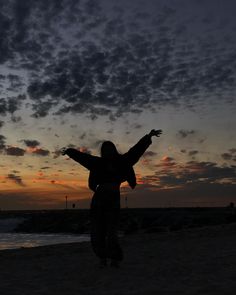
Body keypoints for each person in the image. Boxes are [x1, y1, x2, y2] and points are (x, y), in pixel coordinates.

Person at [61, 129, 162, 268]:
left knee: (111, 232)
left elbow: (136, 151)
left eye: (110, 149)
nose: (108, 152)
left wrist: (148, 137)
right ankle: (102, 259)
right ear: (103, 151)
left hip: (113, 200)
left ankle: (115, 259)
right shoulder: (97, 163)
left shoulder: (122, 162)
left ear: (114, 149)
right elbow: (83, 157)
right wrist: (70, 152)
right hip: (98, 200)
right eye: (105, 149)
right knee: (97, 231)